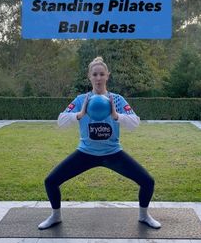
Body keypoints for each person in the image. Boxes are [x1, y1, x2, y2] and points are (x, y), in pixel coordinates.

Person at [38, 56, 161, 230]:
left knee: (147, 181)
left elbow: (135, 122)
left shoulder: (116, 99)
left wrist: (116, 116)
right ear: (89, 76)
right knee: (51, 181)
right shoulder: (82, 99)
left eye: (101, 74)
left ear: (107, 76)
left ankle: (144, 216)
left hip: (113, 154)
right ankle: (55, 216)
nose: (98, 78)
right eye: (94, 74)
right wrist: (79, 114)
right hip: (85, 153)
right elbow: (61, 121)